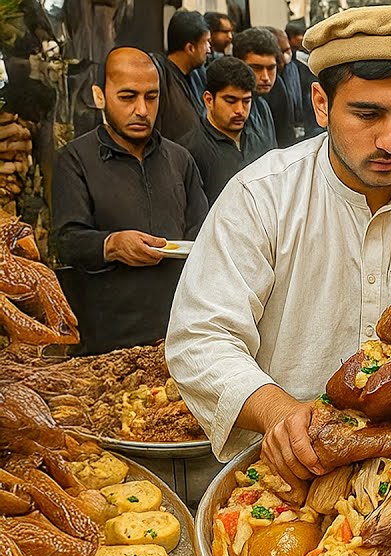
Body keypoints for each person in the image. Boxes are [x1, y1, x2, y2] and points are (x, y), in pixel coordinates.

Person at [167, 7, 391, 486]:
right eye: (367, 114)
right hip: (285, 478)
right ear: (321, 104)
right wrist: (275, 411)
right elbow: (200, 338)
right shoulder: (262, 197)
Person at [54, 46, 208, 356]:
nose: (141, 109)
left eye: (151, 97)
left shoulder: (180, 160)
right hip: (106, 340)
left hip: (176, 334)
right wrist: (111, 245)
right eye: (127, 97)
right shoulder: (75, 159)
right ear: (100, 97)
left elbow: (203, 237)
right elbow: (66, 241)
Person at [183, 56, 272, 204]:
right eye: (230, 101)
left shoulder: (260, 136)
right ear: (209, 100)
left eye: (246, 101)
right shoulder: (191, 150)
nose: (240, 110)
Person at [153, 10, 210, 143]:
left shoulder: (199, 74)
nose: (209, 49)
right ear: (190, 48)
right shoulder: (161, 78)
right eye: (206, 42)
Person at [230, 27, 280, 157]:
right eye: (256, 68)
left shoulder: (263, 107)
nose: (265, 77)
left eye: (270, 68)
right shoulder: (225, 110)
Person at [265, 26, 307, 147]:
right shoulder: (268, 84)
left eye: (287, 50)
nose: (285, 57)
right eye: (280, 52)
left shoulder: (296, 70)